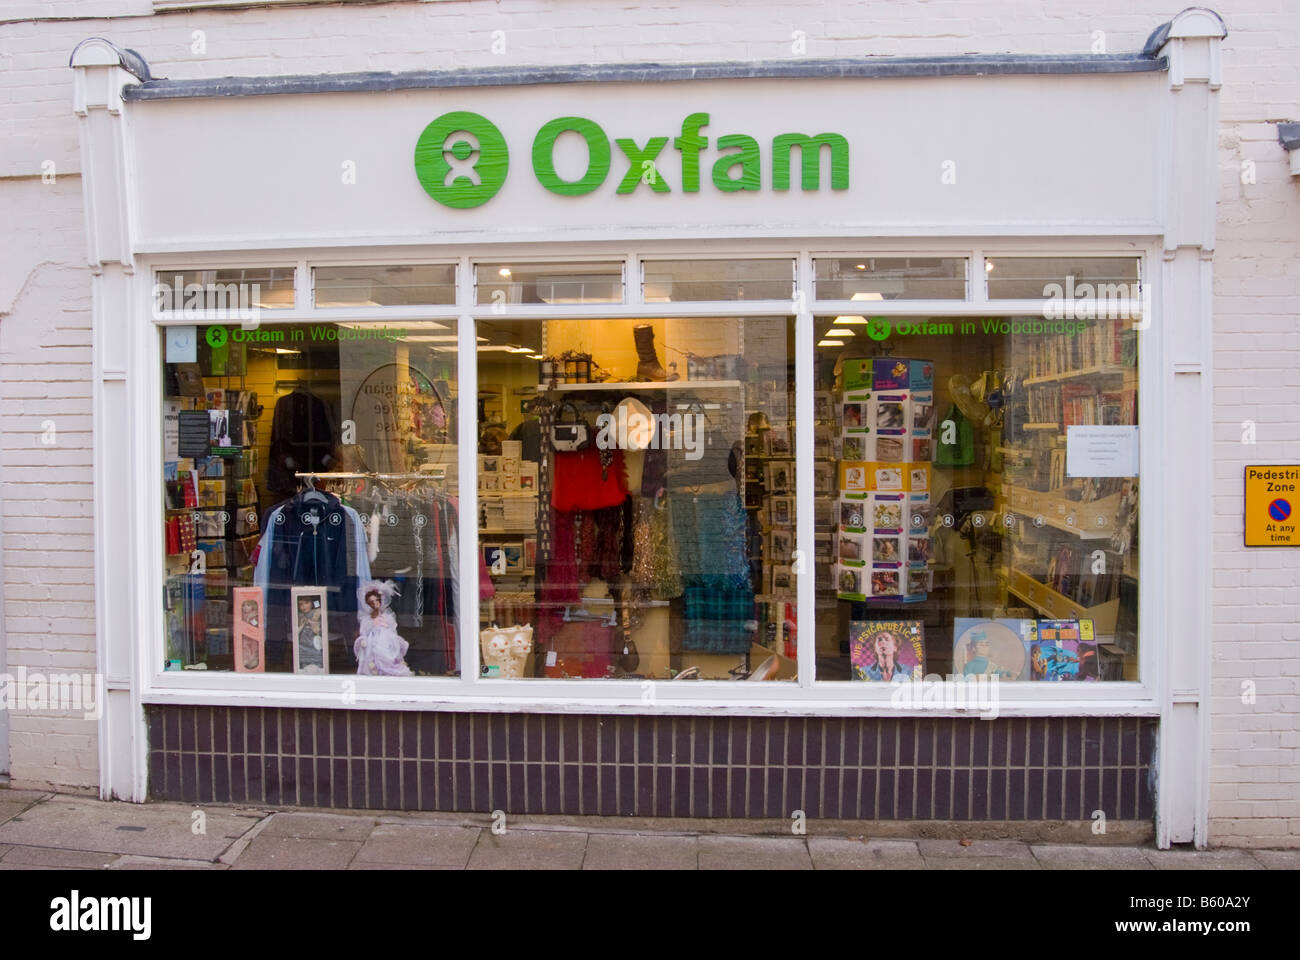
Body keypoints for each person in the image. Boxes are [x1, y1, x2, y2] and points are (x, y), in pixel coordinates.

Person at [354, 580, 413, 676]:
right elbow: (364, 631)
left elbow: (392, 628)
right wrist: (364, 639)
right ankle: (374, 669)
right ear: (368, 604)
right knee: (373, 654)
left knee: (388, 655)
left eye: (377, 600)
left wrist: (395, 638)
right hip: (373, 641)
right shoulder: (368, 619)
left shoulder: (387, 617)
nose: (375, 603)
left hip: (386, 640)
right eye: (372, 602)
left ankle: (388, 670)